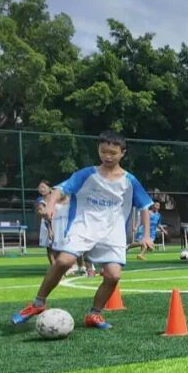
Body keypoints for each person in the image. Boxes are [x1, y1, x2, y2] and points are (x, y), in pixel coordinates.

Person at [11, 130, 153, 329]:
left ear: (123, 153)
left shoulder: (129, 181)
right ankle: (38, 304)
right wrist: (50, 206)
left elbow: (145, 206)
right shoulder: (87, 174)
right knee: (63, 261)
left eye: (113, 153)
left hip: (113, 232)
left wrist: (146, 235)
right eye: (103, 152)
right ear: (98, 150)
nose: (108, 156)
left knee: (113, 276)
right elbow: (59, 190)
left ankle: (94, 314)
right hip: (84, 225)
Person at [35, 181, 54, 264]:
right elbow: (45, 215)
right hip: (46, 224)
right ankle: (54, 267)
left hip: (58, 223)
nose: (41, 189)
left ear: (50, 188)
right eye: (40, 187)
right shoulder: (39, 200)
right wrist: (49, 229)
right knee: (49, 248)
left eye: (43, 187)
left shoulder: (56, 198)